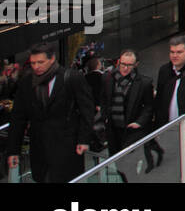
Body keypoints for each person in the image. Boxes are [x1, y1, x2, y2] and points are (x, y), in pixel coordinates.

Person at [5, 43, 96, 182]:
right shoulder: (27, 82)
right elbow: (18, 117)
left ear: (52, 59)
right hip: (39, 149)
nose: (36, 66)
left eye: (40, 62)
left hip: (67, 147)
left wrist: (83, 139)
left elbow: (87, 110)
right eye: (33, 63)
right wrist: (13, 150)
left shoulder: (71, 78)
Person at [100, 51, 156, 164]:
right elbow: (104, 99)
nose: (125, 68)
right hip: (112, 128)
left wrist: (139, 122)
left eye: (129, 65)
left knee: (130, 162)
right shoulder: (107, 78)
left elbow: (149, 106)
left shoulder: (144, 83)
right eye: (122, 64)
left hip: (131, 130)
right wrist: (105, 116)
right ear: (118, 62)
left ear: (136, 64)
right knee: (115, 161)